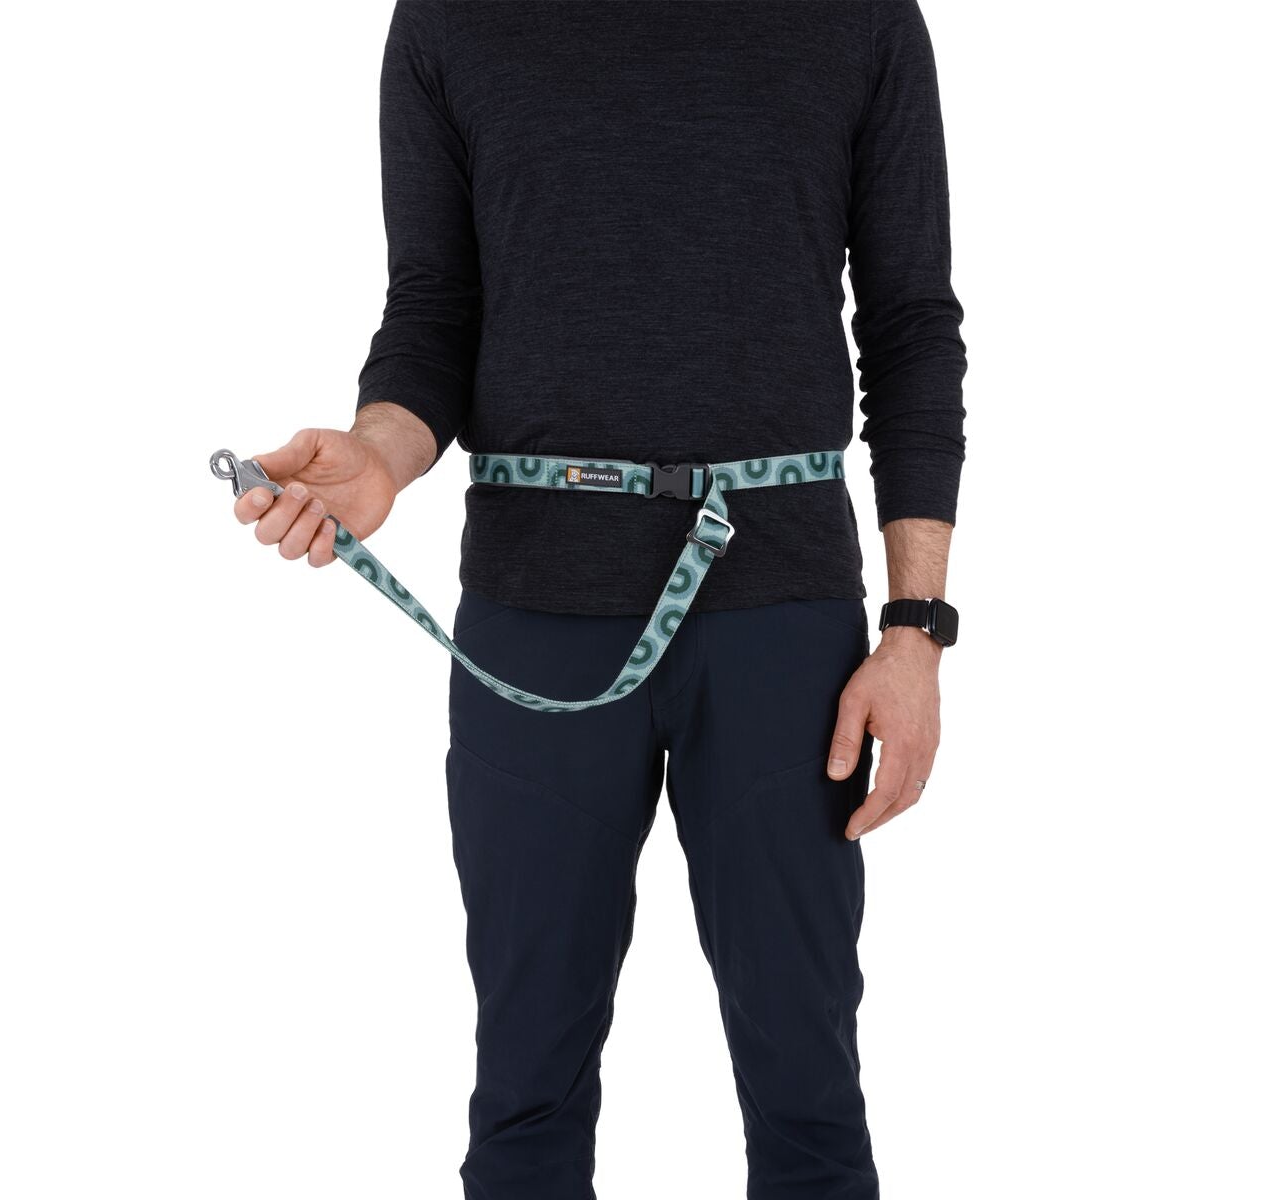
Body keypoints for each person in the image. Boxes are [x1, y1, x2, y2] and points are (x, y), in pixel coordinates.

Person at [230, 3, 965, 1196]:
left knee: (809, 1094)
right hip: (534, 616)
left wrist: (916, 630)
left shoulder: (858, 16)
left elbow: (910, 323)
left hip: (785, 627)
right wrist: (379, 454)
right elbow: (436, 308)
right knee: (526, 1092)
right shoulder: (451, 19)